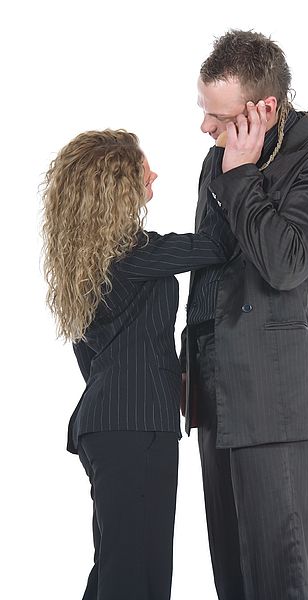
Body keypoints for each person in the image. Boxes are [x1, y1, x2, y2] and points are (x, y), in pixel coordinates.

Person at [40, 124, 265, 600]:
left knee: (117, 567)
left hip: (106, 426)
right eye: (145, 170)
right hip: (135, 427)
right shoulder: (135, 254)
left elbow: (94, 359)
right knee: (136, 575)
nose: (155, 175)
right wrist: (231, 173)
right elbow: (216, 247)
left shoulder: (92, 263)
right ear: (117, 186)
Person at [180, 30, 308, 600]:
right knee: (230, 578)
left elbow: (285, 261)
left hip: (271, 394)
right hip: (211, 392)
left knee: (279, 579)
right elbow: (210, 265)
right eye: (205, 113)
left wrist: (242, 175)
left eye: (219, 116)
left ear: (264, 109)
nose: (206, 129)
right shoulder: (217, 161)